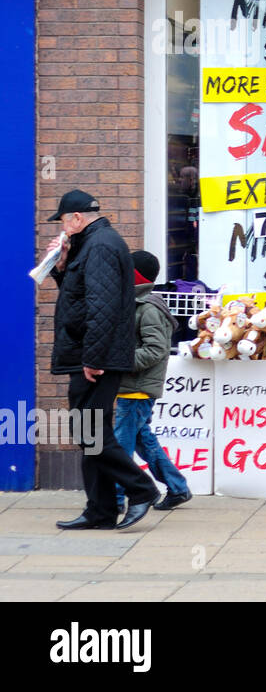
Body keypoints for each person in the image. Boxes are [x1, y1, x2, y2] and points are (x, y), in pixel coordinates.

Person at [45, 190, 160, 531]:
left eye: (64, 221)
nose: (64, 228)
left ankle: (142, 490)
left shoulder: (101, 246)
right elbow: (80, 296)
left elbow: (103, 308)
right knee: (90, 433)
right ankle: (100, 510)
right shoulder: (92, 245)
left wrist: (93, 358)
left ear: (77, 218)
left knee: (90, 430)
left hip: (96, 359)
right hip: (92, 356)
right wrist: (61, 265)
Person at [114, 250, 193, 513]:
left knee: (120, 448)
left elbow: (156, 350)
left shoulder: (147, 308)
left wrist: (120, 361)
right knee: (143, 441)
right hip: (134, 387)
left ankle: (115, 499)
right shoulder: (139, 303)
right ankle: (178, 488)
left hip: (137, 389)